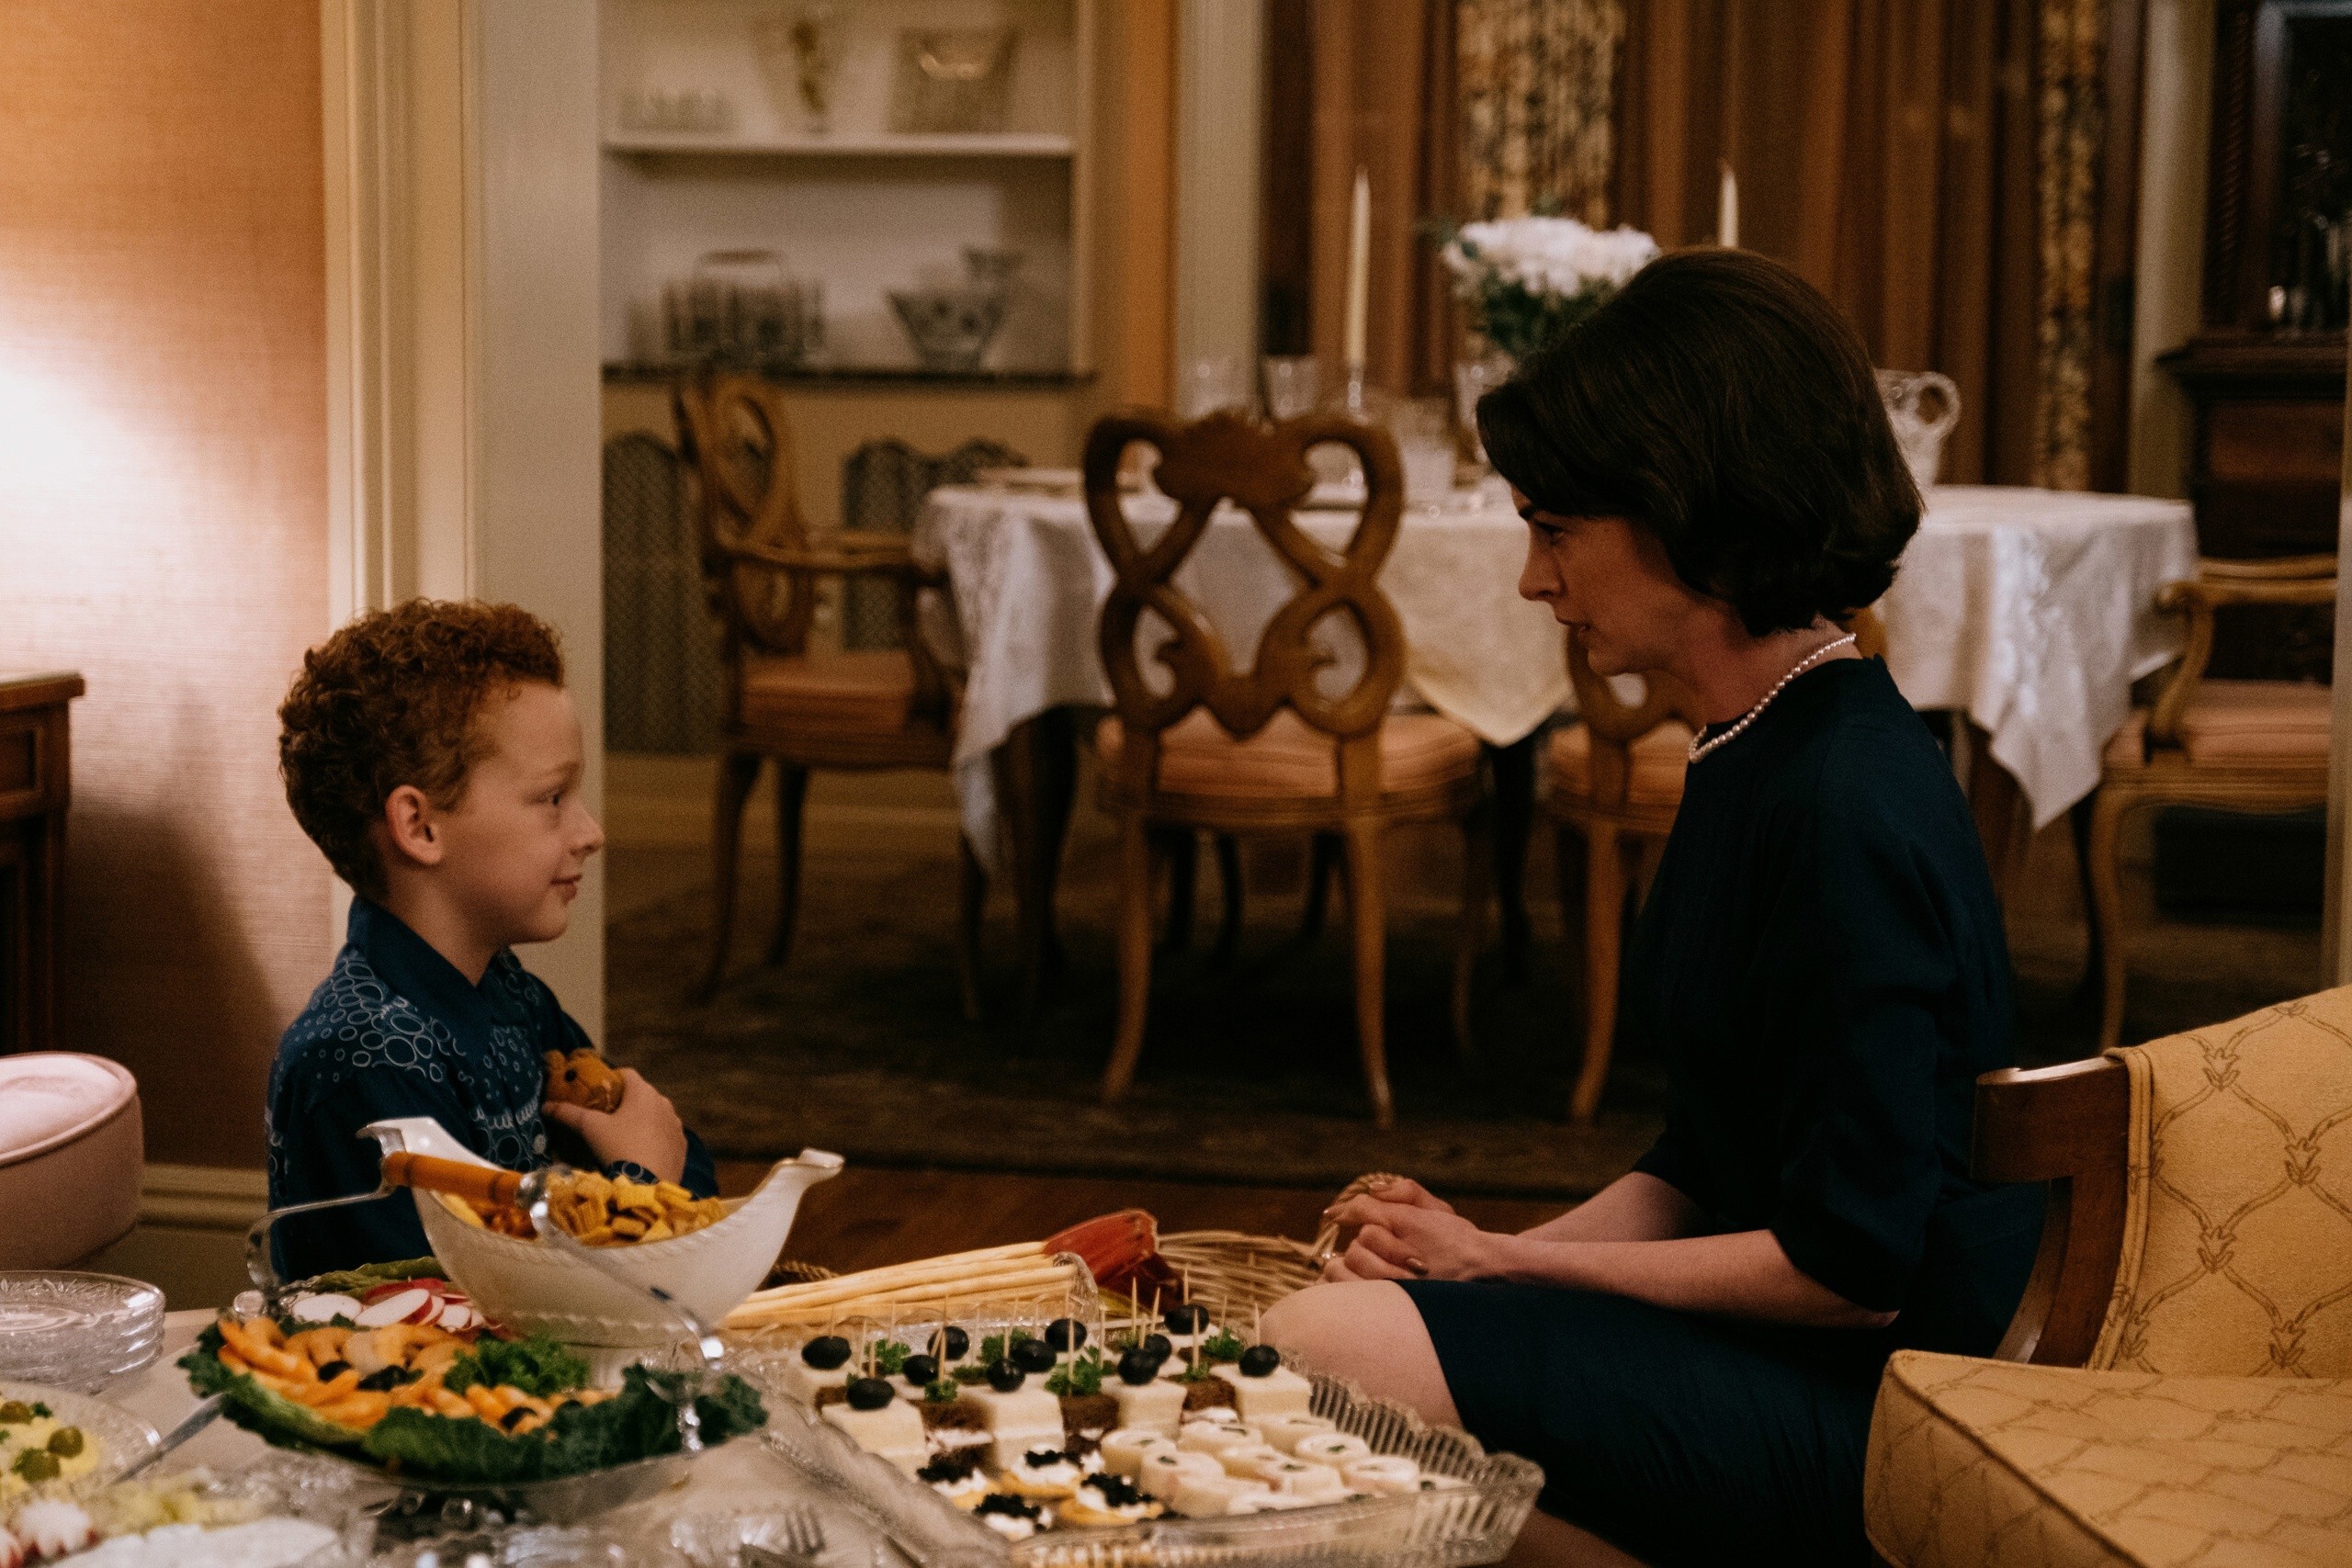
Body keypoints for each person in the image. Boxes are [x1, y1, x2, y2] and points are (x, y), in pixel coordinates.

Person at [1260, 251, 2042, 1567]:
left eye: (1556, 529)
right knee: (1335, 1344)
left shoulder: (1841, 801)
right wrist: (1478, 1254)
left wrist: (1507, 1269)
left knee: (1320, 1352)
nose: (1533, 579)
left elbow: (1853, 1271)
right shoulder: (1767, 739)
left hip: (1890, 1410)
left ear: (1690, 514)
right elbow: (1704, 1160)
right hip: (1797, 1352)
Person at [266, 598, 718, 1280]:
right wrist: (642, 1176)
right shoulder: (362, 1062)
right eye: (552, 798)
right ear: (420, 826)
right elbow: (462, 1308)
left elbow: (690, 1178)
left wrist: (650, 1165)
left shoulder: (512, 996)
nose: (590, 832)